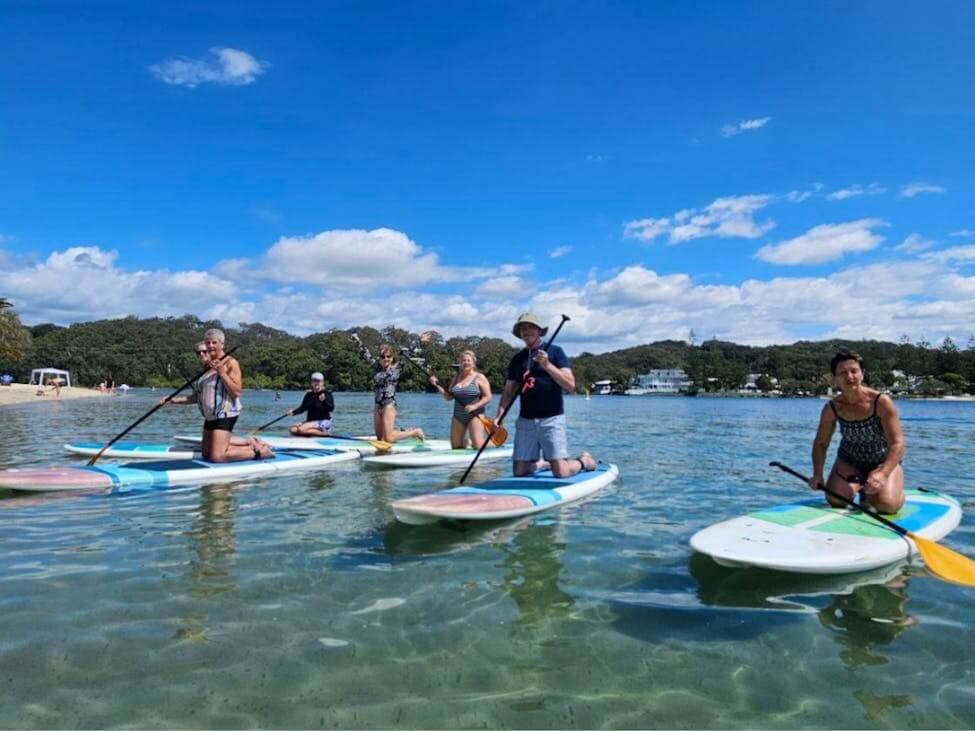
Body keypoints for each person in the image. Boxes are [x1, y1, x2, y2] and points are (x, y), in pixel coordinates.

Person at [494, 312, 596, 477]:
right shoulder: (517, 359)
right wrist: (499, 417)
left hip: (552, 418)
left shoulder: (555, 352)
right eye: (523, 328)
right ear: (520, 333)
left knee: (561, 473)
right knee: (519, 472)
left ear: (539, 331)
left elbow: (570, 385)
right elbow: (508, 392)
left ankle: (584, 461)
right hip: (526, 420)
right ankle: (545, 463)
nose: (527, 331)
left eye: (531, 327)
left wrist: (547, 365)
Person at [809, 350, 905, 514]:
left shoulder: (880, 402)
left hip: (881, 462)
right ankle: (861, 488)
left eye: (854, 371)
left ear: (862, 373)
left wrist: (883, 474)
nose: (850, 377)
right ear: (835, 377)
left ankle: (892, 492)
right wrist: (817, 475)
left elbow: (897, 443)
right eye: (843, 373)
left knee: (886, 505)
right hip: (850, 461)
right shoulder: (832, 408)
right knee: (835, 499)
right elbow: (821, 444)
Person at [162, 332, 272, 462]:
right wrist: (173, 400)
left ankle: (260, 452)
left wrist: (222, 372)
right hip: (210, 416)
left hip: (225, 413)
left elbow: (236, 392)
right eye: (208, 342)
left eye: (214, 342)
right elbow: (198, 397)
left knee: (217, 457)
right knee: (206, 454)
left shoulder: (231, 363)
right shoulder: (207, 366)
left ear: (222, 344)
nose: (210, 345)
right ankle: (251, 445)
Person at [350, 333, 424, 444]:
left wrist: (419, 340)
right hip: (377, 405)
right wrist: (357, 340)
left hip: (389, 405)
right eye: (383, 357)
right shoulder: (375, 367)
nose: (386, 359)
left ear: (392, 358)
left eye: (388, 356)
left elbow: (407, 353)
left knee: (388, 439)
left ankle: (414, 432)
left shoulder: (396, 368)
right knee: (380, 438)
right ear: (379, 358)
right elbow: (365, 353)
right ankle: (402, 432)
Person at [429, 350, 493, 449]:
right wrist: (436, 384)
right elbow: (448, 397)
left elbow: (488, 397)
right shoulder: (456, 377)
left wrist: (475, 406)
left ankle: (494, 443)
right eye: (463, 360)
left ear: (473, 363)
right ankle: (469, 441)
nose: (466, 362)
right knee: (456, 446)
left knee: (478, 445)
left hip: (475, 415)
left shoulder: (479, 377)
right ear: (460, 363)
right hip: (458, 416)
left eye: (468, 360)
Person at [289, 372, 335, 437]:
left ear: (322, 382)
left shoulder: (327, 394)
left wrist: (323, 401)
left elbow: (331, 409)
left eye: (318, 381)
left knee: (301, 429)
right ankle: (310, 436)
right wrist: (293, 412)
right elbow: (302, 408)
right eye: (314, 380)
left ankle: (324, 434)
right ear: (311, 382)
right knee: (293, 429)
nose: (316, 383)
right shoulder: (309, 395)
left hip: (323, 421)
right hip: (310, 421)